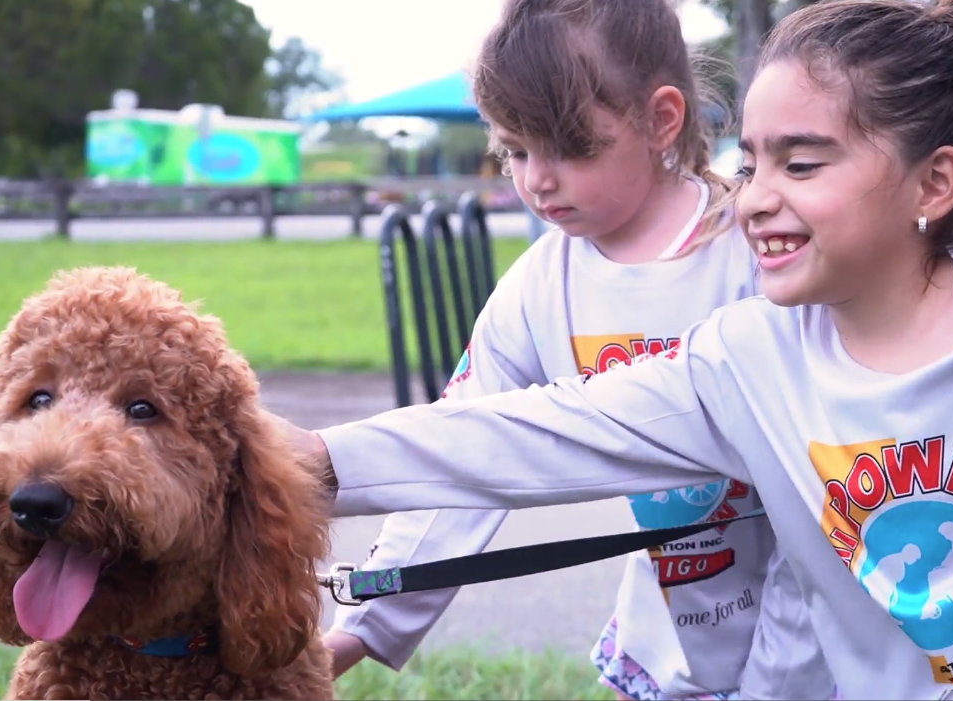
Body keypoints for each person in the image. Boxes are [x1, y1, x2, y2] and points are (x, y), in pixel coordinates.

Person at [287, 0, 953, 697]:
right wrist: (319, 464)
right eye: (749, 162)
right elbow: (529, 432)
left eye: (801, 161)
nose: (751, 195)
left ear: (935, 182)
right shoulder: (747, 358)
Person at [322, 1, 834, 699]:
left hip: (818, 638)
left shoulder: (755, 257)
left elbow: (823, 483)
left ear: (661, 119)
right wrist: (365, 624)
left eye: (569, 146)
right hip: (665, 652)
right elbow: (466, 451)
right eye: (515, 150)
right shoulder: (540, 285)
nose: (537, 178)